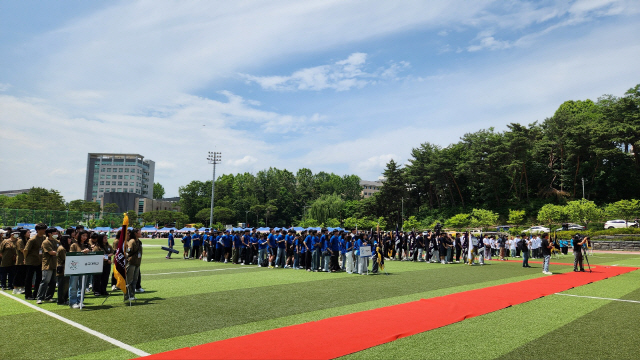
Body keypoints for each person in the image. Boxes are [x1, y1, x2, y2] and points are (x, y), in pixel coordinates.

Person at [23, 223, 47, 300]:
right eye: (43, 229)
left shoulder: (44, 238)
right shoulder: (32, 240)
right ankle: (28, 294)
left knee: (39, 278)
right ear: (38, 230)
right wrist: (25, 259)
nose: (44, 231)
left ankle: (36, 293)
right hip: (31, 261)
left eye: (44, 229)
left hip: (40, 261)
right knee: (29, 278)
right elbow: (26, 250)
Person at [36, 227, 59, 304]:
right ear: (50, 233)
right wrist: (60, 253)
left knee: (53, 281)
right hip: (47, 264)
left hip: (55, 264)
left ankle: (49, 297)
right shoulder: (46, 242)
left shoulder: (57, 241)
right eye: (55, 233)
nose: (56, 234)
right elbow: (51, 252)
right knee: (45, 281)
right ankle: (39, 297)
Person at [69, 230, 89, 309]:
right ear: (79, 236)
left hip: (85, 267)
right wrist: (81, 252)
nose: (84, 237)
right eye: (83, 235)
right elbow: (71, 255)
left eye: (86, 236)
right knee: (73, 285)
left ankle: (80, 301)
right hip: (75, 267)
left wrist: (89, 251)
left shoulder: (87, 245)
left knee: (82, 285)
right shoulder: (74, 245)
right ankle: (73, 302)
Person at [125, 229, 142, 301]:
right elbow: (129, 250)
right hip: (131, 262)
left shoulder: (138, 241)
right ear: (135, 233)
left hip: (137, 262)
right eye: (139, 232)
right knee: (129, 280)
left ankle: (132, 295)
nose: (140, 233)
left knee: (135, 280)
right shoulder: (132, 241)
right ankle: (127, 296)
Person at [56, 235, 70, 305]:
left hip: (66, 268)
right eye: (69, 239)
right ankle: (60, 300)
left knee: (66, 285)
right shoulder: (61, 248)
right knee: (62, 286)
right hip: (62, 269)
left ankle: (64, 299)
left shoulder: (66, 247)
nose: (70, 240)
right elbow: (65, 259)